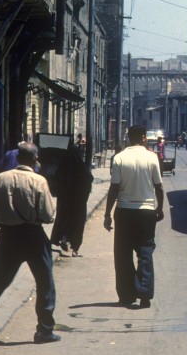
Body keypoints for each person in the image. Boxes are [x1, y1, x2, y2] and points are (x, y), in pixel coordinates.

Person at [0, 142, 59, 344]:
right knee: (45, 283)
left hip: (8, 236)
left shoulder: (1, 178)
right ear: (35, 160)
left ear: (18, 158)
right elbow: (47, 214)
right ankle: (44, 329)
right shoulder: (39, 181)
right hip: (33, 235)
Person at [103, 125, 165, 308]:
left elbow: (114, 188)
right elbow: (159, 187)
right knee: (145, 251)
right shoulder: (152, 157)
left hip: (124, 211)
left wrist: (107, 214)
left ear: (128, 138)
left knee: (123, 254)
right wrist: (159, 208)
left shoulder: (119, 158)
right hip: (146, 211)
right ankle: (145, 294)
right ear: (144, 138)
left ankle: (127, 295)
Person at [51, 136, 93, 257]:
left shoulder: (63, 167)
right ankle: (75, 249)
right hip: (78, 202)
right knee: (78, 223)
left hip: (64, 201)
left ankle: (63, 237)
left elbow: (56, 180)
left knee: (63, 219)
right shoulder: (81, 168)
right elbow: (89, 179)